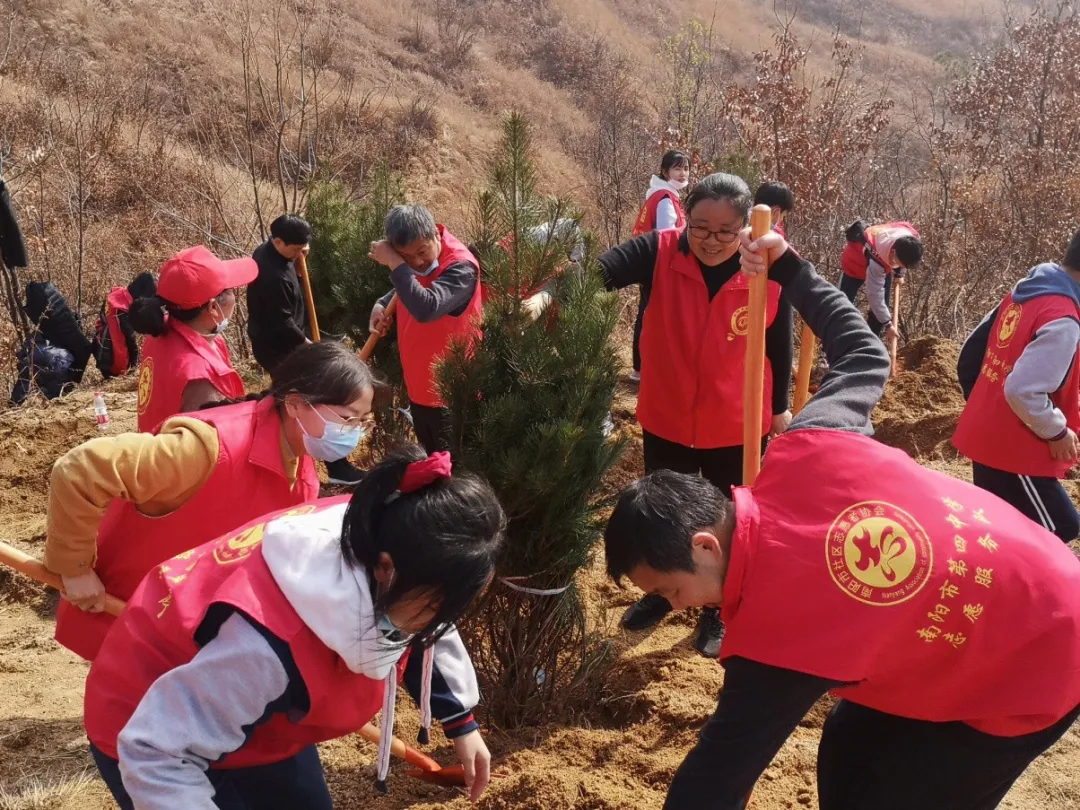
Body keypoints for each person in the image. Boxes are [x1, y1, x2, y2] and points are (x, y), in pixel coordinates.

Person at [603, 226, 1080, 810]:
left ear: (705, 545)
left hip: (1041, 656)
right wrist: (790, 270)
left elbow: (717, 776)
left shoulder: (778, 634)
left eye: (670, 591)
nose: (676, 608)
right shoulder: (808, 445)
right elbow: (862, 353)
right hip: (1033, 562)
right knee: (850, 737)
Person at [84, 446, 505, 809]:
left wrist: (461, 722)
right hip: (154, 723)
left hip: (249, 716)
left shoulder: (392, 527)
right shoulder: (268, 645)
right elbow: (156, 750)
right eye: (435, 605)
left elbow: (420, 627)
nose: (439, 620)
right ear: (387, 570)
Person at [44, 341, 375, 661]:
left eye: (362, 422)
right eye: (348, 420)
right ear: (295, 404)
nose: (354, 433)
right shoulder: (208, 448)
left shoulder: (301, 471)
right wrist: (75, 569)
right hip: (125, 610)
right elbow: (81, 470)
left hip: (184, 627)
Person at [599, 173, 794, 659]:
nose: (710, 240)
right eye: (700, 227)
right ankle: (660, 593)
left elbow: (779, 337)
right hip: (667, 410)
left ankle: (716, 610)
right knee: (662, 512)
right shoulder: (662, 251)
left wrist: (779, 407)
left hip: (735, 417)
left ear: (745, 227)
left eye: (725, 231)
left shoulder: (767, 263)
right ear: (685, 220)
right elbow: (603, 270)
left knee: (728, 517)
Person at [953, 231, 1080, 543]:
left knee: (997, 531)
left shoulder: (1029, 289)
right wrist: (1056, 431)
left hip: (987, 434)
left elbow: (969, 355)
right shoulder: (1063, 319)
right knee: (1061, 527)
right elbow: (1022, 390)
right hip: (1014, 448)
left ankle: (992, 587)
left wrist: (983, 409)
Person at [368, 204, 482, 454]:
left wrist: (396, 263)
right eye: (407, 257)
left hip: (452, 396)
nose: (417, 263)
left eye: (422, 251)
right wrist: (381, 305)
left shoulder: (461, 267)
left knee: (453, 475)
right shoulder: (415, 267)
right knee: (432, 463)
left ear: (435, 234)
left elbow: (426, 307)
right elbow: (404, 290)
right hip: (420, 390)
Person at [130, 246, 257, 432]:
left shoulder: (160, 332)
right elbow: (212, 446)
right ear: (213, 308)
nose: (235, 298)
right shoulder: (199, 378)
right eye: (230, 291)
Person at [629, 150, 691, 383]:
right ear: (665, 171)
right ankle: (643, 369)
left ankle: (640, 368)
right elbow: (668, 238)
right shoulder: (665, 199)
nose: (683, 173)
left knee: (645, 313)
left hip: (647, 263)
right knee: (651, 316)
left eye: (685, 168)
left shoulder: (659, 194)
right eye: (677, 168)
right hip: (658, 266)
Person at [247, 215, 312, 375]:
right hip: (276, 347)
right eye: (296, 249)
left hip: (286, 337)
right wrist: (309, 346)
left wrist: (297, 266)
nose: (300, 254)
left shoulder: (268, 248)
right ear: (278, 242)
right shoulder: (274, 277)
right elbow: (283, 322)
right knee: (291, 386)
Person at [838, 220, 922, 341]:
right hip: (854, 265)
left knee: (881, 313)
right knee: (842, 307)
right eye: (900, 264)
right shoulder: (877, 262)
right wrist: (888, 324)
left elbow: (906, 258)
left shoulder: (911, 237)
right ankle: (832, 347)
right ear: (893, 254)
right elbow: (874, 296)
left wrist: (900, 273)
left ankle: (869, 344)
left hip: (884, 263)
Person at [93, 272, 156, 379]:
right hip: (114, 363)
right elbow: (131, 342)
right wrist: (134, 368)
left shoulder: (116, 295)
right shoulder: (122, 311)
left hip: (99, 348)